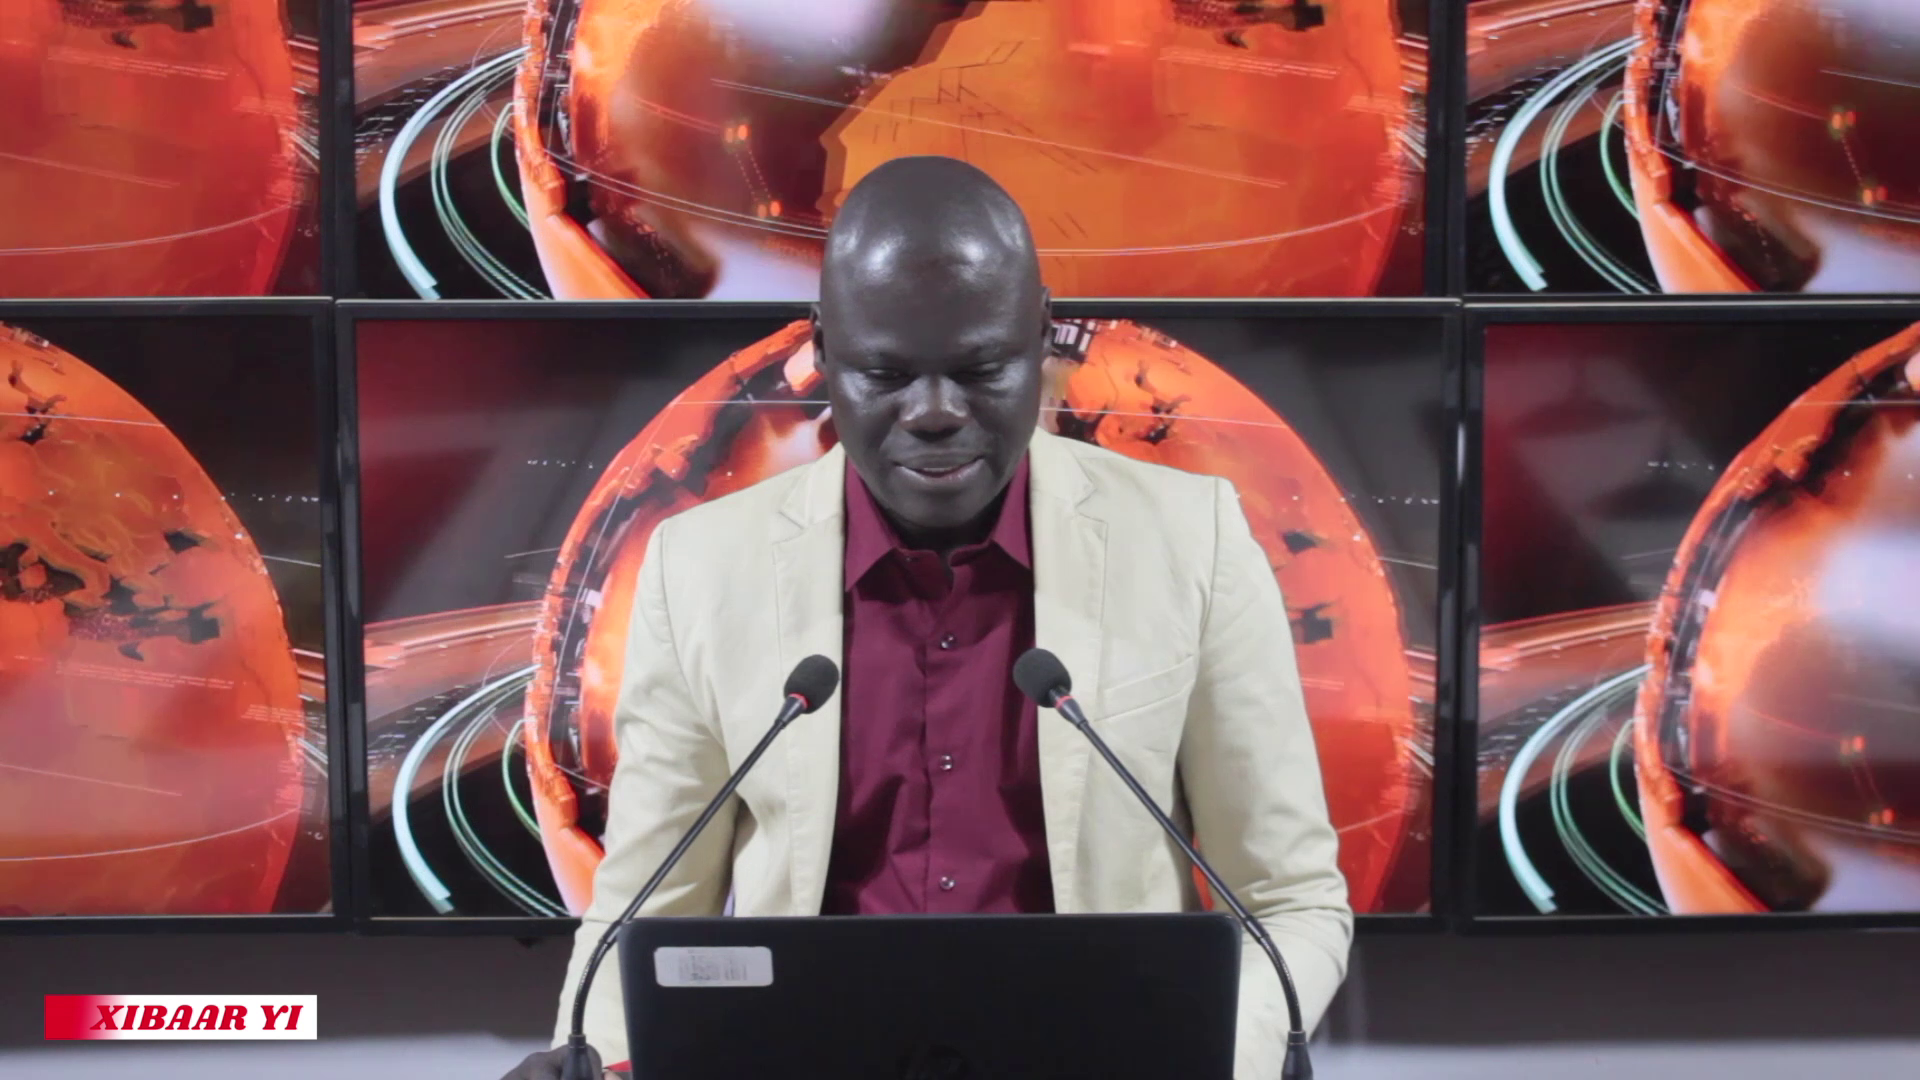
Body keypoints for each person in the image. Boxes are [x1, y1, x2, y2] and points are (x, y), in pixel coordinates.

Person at [504, 155, 1351, 1080]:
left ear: (1041, 337)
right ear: (823, 351)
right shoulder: (701, 566)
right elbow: (645, 913)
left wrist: (1215, 1063)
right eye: (886, 373)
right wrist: (588, 1059)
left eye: (981, 369)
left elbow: (1289, 900)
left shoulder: (1193, 540)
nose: (935, 413)